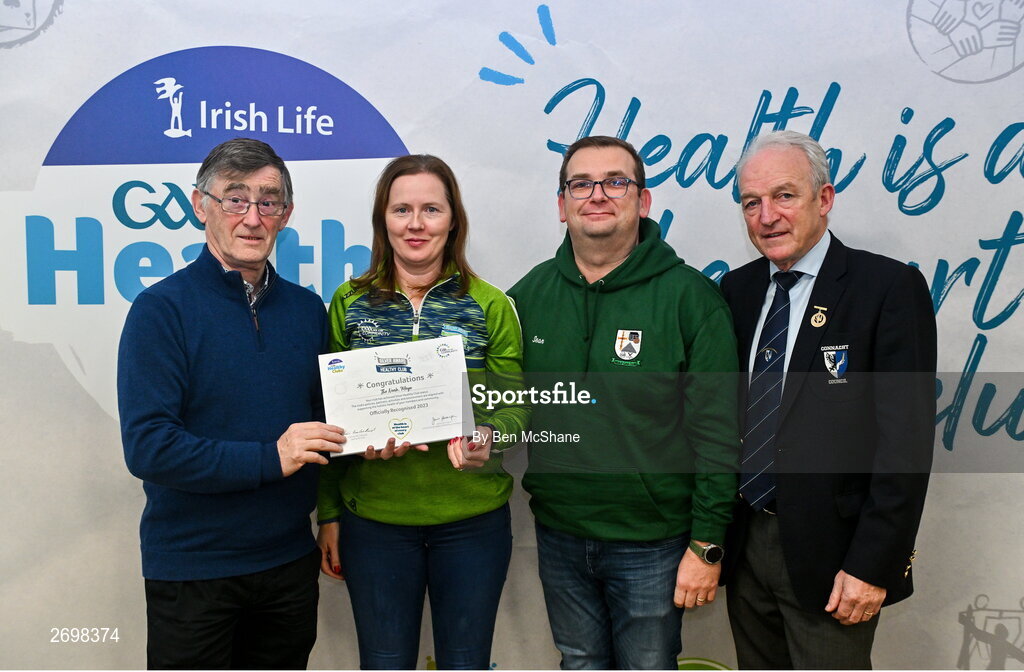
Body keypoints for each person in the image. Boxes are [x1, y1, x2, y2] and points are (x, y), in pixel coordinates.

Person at [507, 136, 741, 669]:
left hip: (654, 542)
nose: (598, 195)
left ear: (644, 200)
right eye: (581, 184)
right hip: (560, 532)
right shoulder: (527, 297)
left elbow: (719, 436)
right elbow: (499, 406)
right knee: (578, 661)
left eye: (616, 181)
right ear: (561, 204)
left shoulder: (690, 298)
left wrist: (707, 543)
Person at [118, 138, 346, 669]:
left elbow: (332, 426)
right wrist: (272, 457)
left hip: (289, 565)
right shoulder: (160, 311)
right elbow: (149, 448)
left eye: (267, 202)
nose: (251, 218)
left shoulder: (308, 310)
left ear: (285, 214)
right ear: (200, 206)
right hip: (194, 571)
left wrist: (383, 434)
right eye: (234, 199)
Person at [720, 130, 936, 669]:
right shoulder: (736, 292)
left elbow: (904, 447)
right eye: (752, 202)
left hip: (836, 560)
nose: (767, 215)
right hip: (746, 547)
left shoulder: (888, 288)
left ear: (825, 198)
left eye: (784, 195)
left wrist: (873, 565)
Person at [316, 154, 529, 670]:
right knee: (384, 662)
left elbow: (515, 407)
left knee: (466, 662)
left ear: (453, 219)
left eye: (431, 209)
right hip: (375, 523)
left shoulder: (490, 304)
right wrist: (328, 514)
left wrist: (488, 439)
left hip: (471, 523)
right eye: (401, 209)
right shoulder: (349, 302)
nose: (415, 224)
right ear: (382, 219)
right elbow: (327, 415)